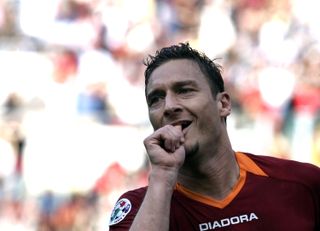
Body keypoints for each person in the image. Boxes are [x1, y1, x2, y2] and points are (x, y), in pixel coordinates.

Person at [108, 42, 320, 230]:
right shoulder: (137, 209)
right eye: (156, 99)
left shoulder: (302, 184)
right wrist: (162, 174)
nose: (169, 106)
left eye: (184, 90)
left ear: (224, 104)